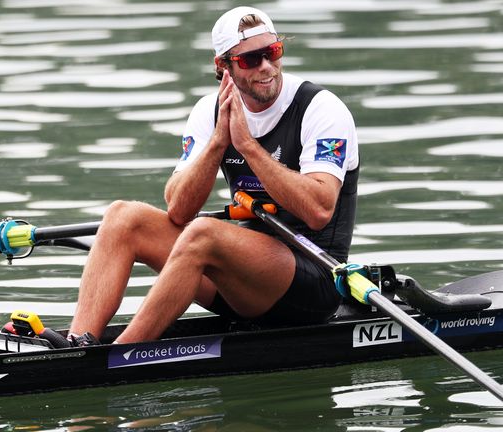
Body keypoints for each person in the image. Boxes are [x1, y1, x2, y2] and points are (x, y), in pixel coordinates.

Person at [67, 6, 359, 345]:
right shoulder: (209, 111)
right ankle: (78, 343)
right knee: (122, 217)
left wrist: (247, 147)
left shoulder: (321, 109)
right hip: (242, 283)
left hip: (315, 282)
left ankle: (121, 355)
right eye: (251, 59)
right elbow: (178, 210)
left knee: (204, 233)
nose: (266, 66)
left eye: (273, 52)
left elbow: (320, 211)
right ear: (223, 67)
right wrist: (219, 142)